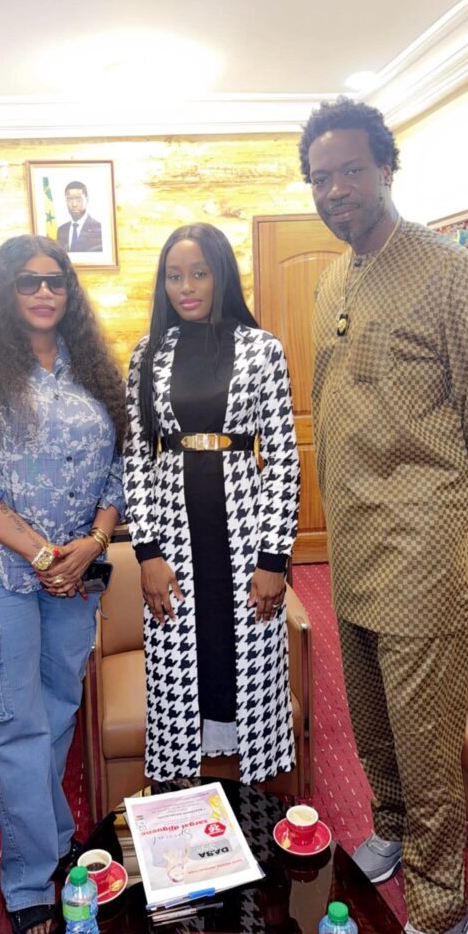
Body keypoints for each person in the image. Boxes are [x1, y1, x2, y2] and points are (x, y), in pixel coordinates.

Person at [299, 97, 468, 934]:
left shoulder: (452, 275)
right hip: (354, 548)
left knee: (425, 739)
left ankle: (443, 913)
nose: (335, 189)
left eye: (350, 170)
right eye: (320, 177)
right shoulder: (331, 278)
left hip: (421, 553)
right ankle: (391, 827)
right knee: (373, 723)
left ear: (385, 168)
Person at [0, 234, 125, 934]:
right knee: (14, 727)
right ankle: (28, 882)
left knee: (58, 714)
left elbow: (120, 472)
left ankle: (50, 839)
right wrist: (43, 554)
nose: (44, 292)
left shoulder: (92, 370)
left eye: (55, 280)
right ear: (2, 291)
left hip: (73, 577)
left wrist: (91, 545)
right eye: (27, 281)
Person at [124, 223, 300, 786]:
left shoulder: (262, 349)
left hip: (245, 532)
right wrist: (147, 552)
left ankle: (253, 796)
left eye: (199, 273)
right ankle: (183, 798)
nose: (186, 287)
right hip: (173, 535)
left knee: (248, 661)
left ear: (221, 275)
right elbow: (137, 459)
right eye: (174, 276)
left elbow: (284, 459)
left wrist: (273, 560)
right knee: (179, 665)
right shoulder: (147, 355)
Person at [57, 181, 103, 252]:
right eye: (70, 199)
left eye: (78, 199)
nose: (74, 204)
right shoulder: (61, 230)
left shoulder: (98, 228)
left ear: (87, 200)